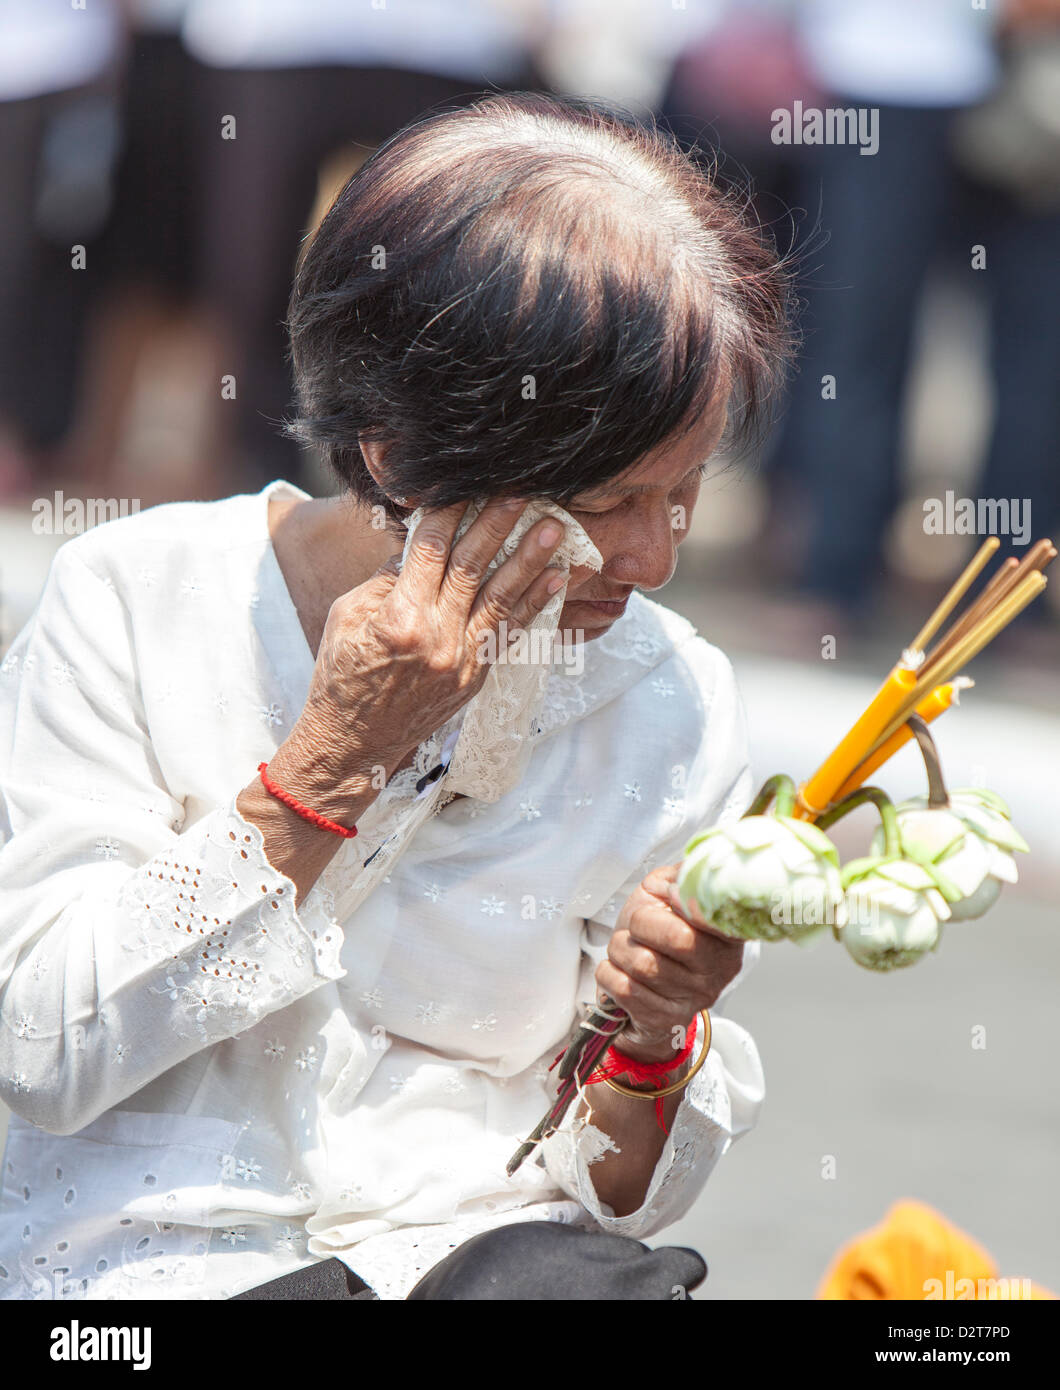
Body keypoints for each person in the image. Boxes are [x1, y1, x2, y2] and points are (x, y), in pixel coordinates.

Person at [0, 91, 792, 1301]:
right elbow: (43, 1048)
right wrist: (329, 764)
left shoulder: (670, 695)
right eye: (602, 503)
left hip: (474, 1254)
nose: (651, 562)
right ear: (392, 452)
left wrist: (653, 1032)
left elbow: (613, 1198)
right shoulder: (136, 604)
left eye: (679, 495)